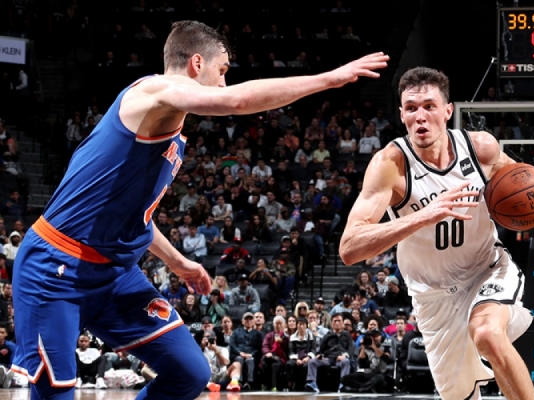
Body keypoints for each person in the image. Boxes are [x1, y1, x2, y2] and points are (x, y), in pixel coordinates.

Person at [11, 20, 386, 399]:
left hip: (113, 274)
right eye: (221, 71)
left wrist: (178, 262)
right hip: (57, 267)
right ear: (195, 63)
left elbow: (136, 216)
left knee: (190, 373)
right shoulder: (155, 91)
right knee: (56, 393)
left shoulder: (170, 126)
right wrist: (329, 78)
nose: (223, 82)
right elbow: (238, 101)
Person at [339, 66, 534, 400]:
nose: (420, 116)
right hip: (433, 297)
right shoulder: (390, 165)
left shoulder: (482, 149)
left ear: (448, 111)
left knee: (487, 333)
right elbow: (350, 248)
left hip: (486, 270)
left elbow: (521, 190)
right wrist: (421, 217)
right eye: (411, 108)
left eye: (429, 106)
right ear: (402, 114)